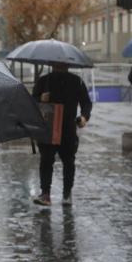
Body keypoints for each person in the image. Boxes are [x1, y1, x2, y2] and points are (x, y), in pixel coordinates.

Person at [32, 63, 92, 207]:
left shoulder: (76, 81)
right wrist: (41, 99)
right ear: (52, 64)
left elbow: (86, 102)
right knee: (46, 160)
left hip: (68, 128)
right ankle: (45, 194)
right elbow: (32, 102)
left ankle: (66, 193)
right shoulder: (44, 81)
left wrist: (84, 117)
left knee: (68, 161)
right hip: (48, 127)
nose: (60, 65)